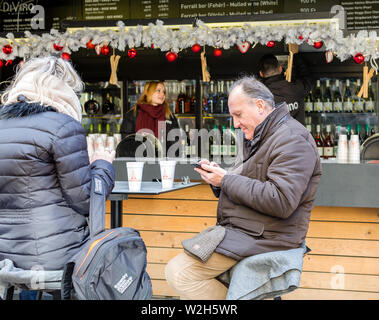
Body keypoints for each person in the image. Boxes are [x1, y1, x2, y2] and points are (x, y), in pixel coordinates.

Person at [165, 76, 322, 300]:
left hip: (267, 236)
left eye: (238, 115)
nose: (235, 124)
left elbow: (280, 201)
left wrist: (226, 180)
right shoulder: (261, 135)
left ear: (259, 106)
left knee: (180, 274)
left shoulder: (293, 139)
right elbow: (249, 180)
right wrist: (220, 178)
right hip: (249, 231)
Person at [0, 56, 115, 272]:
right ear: (65, 91)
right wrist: (102, 164)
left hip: (5, 256)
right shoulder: (64, 127)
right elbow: (86, 200)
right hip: (55, 254)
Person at [119, 81, 180, 157]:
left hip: (163, 162)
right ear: (148, 92)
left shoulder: (169, 115)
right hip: (138, 161)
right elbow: (126, 141)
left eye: (164, 92)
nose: (162, 94)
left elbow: (175, 142)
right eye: (158, 91)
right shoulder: (133, 114)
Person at [258, 50, 314, 125]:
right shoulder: (295, 88)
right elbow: (308, 79)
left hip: (274, 137)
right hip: (298, 136)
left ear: (261, 74)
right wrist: (295, 56)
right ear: (281, 69)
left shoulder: (260, 97)